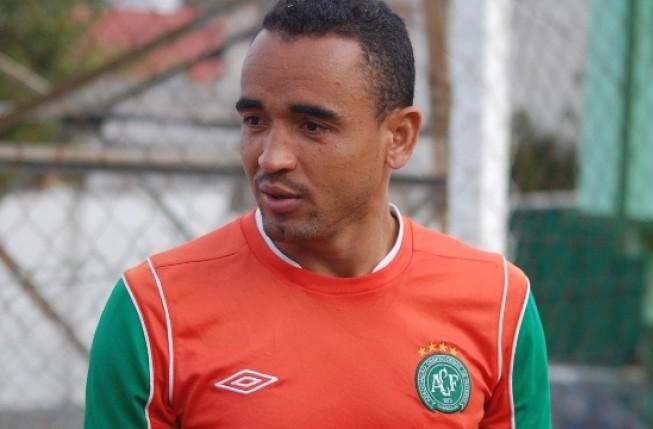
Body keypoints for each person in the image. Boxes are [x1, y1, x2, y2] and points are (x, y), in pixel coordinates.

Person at [84, 0, 551, 427]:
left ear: (400, 138)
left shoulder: (498, 305)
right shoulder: (154, 312)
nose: (271, 157)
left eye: (312, 126)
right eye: (254, 121)